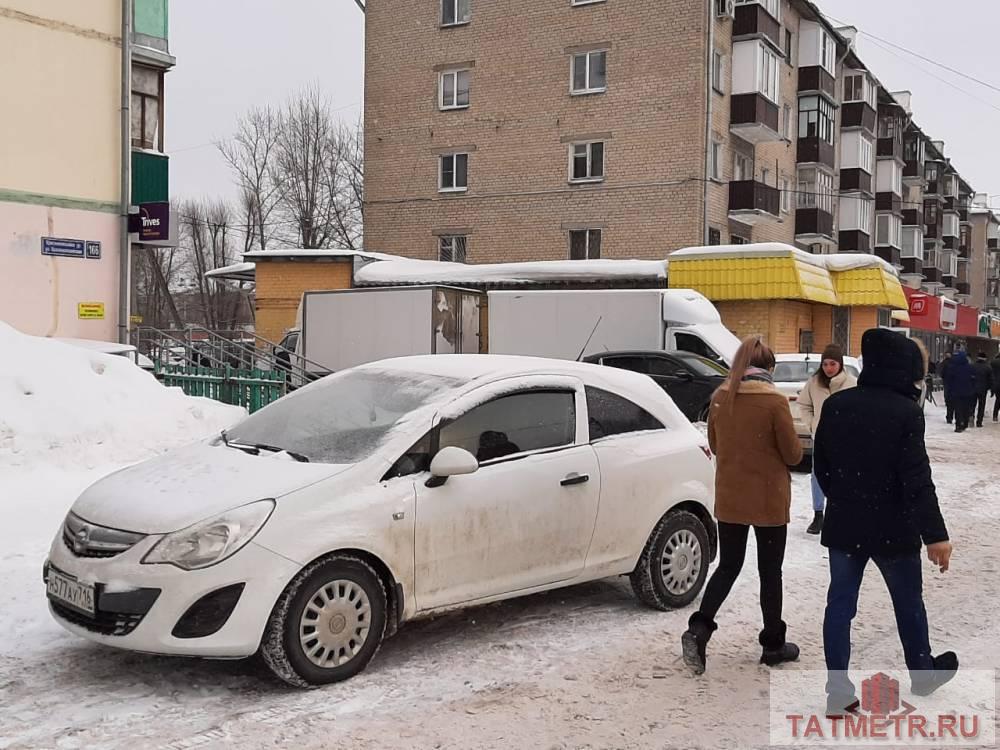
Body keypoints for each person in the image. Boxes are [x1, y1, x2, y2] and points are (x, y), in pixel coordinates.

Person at [814, 328, 956, 715]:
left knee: (839, 606)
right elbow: (916, 478)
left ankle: (838, 692)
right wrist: (936, 535)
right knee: (908, 603)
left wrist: (845, 499)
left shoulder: (837, 405)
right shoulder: (906, 412)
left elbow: (821, 466)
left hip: (845, 525)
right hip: (895, 528)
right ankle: (923, 672)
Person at [681, 336, 803, 675]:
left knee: (729, 566)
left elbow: (716, 445)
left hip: (732, 497)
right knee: (769, 572)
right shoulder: (775, 402)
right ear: (768, 368)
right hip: (768, 499)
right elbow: (793, 455)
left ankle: (699, 629)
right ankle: (773, 645)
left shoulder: (721, 397)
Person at [797, 344, 857, 535]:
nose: (828, 368)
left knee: (843, 476)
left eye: (832, 364)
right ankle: (818, 514)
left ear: (840, 364)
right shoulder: (814, 383)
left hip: (845, 440)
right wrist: (812, 424)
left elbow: (859, 411)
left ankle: (839, 513)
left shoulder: (852, 384)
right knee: (818, 475)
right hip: (821, 439)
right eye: (825, 364)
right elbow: (804, 405)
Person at [943, 351, 976, 433]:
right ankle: (964, 423)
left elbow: (949, 380)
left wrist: (949, 390)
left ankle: (958, 425)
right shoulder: (970, 368)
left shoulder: (953, 368)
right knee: (966, 408)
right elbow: (974, 379)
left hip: (956, 392)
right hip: (967, 392)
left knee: (958, 409)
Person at [972, 352, 993, 428]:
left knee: (972, 405)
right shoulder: (988, 367)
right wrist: (990, 388)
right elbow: (991, 379)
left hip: (973, 389)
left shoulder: (973, 366)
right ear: (985, 358)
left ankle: (971, 418)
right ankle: (979, 422)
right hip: (983, 389)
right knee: (981, 405)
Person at [939, 352, 954, 424]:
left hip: (947, 381)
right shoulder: (951, 362)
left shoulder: (945, 362)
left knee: (948, 394)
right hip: (950, 382)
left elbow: (941, 371)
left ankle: (949, 416)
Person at [992, 352, 1000, 423]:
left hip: (995, 384)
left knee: (998, 399)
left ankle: (995, 415)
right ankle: (995, 415)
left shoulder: (993, 362)